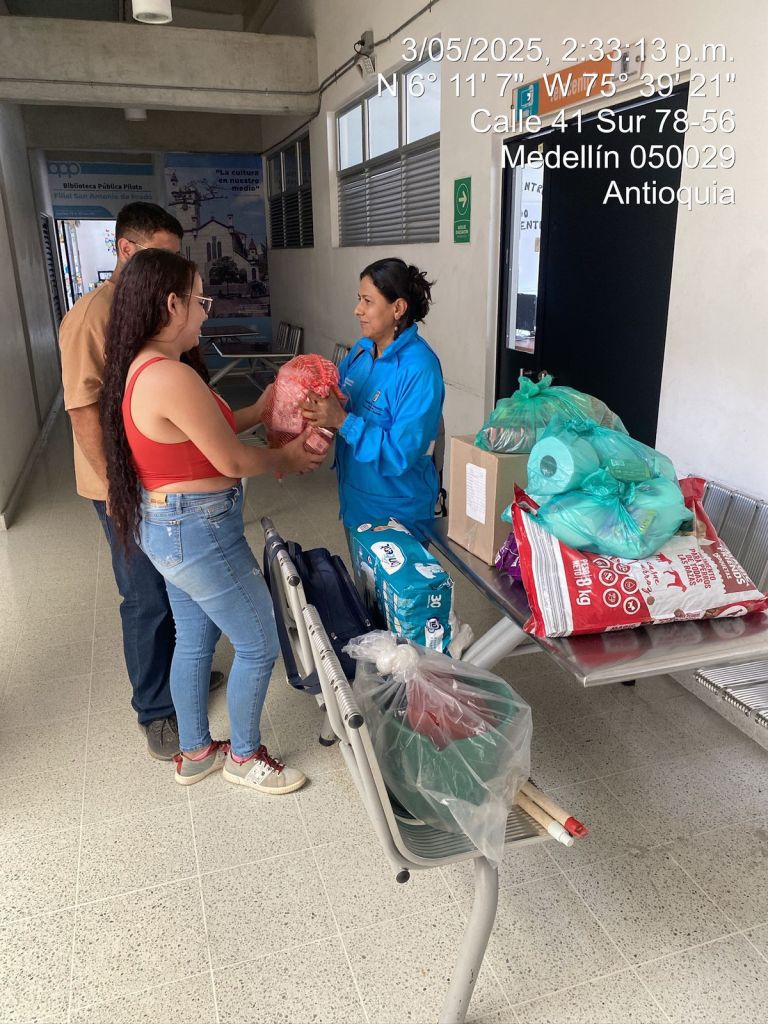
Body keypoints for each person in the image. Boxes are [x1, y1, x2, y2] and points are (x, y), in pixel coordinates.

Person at [100, 248, 324, 793]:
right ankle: (244, 757)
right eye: (201, 300)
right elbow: (231, 459)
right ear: (172, 304)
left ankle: (196, 752)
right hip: (197, 531)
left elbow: (205, 434)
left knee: (194, 638)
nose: (206, 312)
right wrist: (288, 457)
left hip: (173, 526)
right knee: (259, 641)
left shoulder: (146, 368)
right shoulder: (169, 376)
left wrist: (263, 408)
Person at [59, 202, 223, 761]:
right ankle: (155, 708)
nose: (173, 269)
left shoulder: (155, 306)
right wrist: (116, 489)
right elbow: (83, 409)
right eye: (162, 255)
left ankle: (183, 674)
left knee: (180, 581)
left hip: (163, 479)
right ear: (126, 250)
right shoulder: (92, 317)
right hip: (122, 485)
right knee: (145, 593)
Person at [301, 258, 444, 531]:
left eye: (367, 301)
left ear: (398, 308)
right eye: (359, 299)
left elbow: (399, 454)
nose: (357, 310)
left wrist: (343, 421)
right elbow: (334, 403)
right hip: (355, 501)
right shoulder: (361, 350)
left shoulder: (419, 369)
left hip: (397, 515)